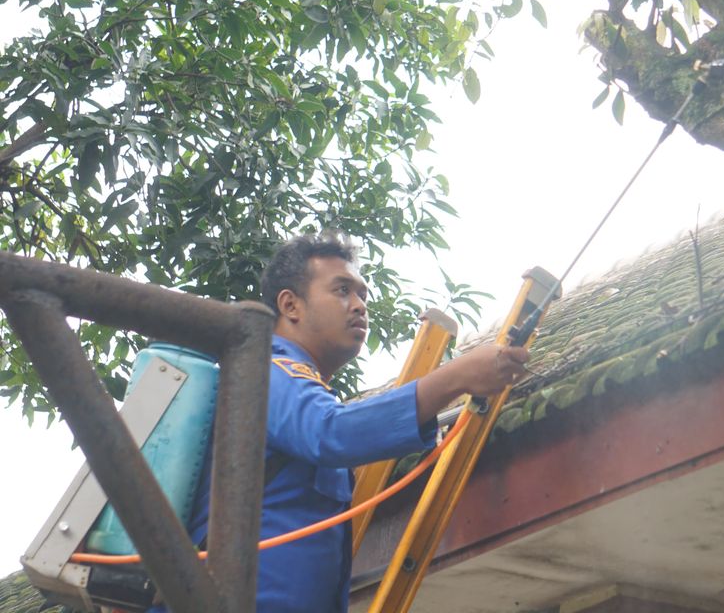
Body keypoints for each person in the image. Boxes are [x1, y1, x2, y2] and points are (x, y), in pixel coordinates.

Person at [153, 231, 528, 612]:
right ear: (291, 305)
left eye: (363, 294)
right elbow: (331, 431)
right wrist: (455, 377)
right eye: (342, 290)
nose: (359, 305)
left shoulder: (298, 386)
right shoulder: (265, 373)